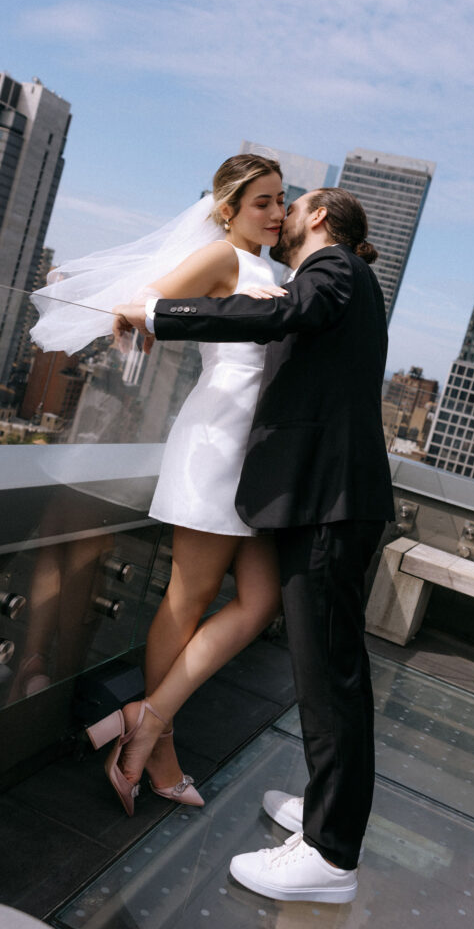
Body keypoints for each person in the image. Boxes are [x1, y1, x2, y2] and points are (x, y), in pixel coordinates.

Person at [112, 186, 395, 904]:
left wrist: (158, 314)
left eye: (292, 206)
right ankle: (328, 811)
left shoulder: (330, 271)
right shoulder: (345, 281)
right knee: (327, 674)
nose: (284, 217)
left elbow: (281, 314)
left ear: (320, 219)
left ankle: (330, 859)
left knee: (329, 679)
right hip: (322, 500)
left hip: (328, 505)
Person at [31, 154, 286, 814]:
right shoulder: (227, 259)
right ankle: (159, 750)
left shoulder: (274, 269)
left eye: (280, 201)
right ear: (226, 209)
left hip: (253, 456)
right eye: (261, 201)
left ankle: (141, 722)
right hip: (214, 444)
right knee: (188, 598)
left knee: (257, 603)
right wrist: (225, 302)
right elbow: (140, 307)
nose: (275, 213)